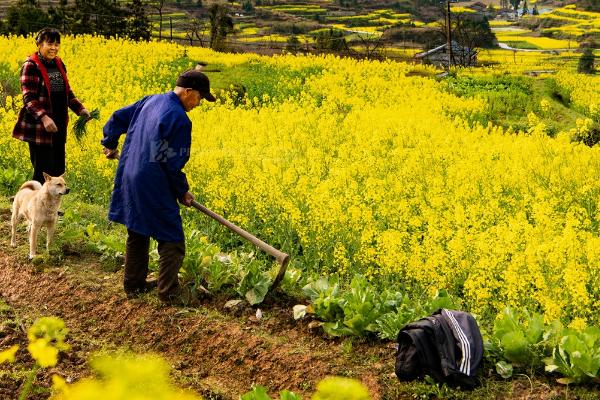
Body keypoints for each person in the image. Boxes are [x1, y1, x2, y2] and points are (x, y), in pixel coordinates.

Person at [101, 69, 216, 305]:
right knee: (172, 237)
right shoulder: (179, 119)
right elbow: (171, 162)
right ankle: (169, 292)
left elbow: (118, 117)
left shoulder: (150, 100)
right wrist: (181, 190)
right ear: (188, 91)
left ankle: (134, 284)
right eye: (200, 97)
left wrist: (109, 142)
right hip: (153, 180)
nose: (199, 103)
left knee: (138, 229)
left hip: (130, 175)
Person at [13, 28, 90, 184]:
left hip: (59, 125)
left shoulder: (58, 63)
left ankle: (51, 208)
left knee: (57, 171)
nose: (54, 48)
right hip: (40, 128)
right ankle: (30, 205)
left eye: (57, 44)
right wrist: (44, 118)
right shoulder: (31, 65)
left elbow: (66, 92)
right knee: (43, 172)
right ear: (39, 44)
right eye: (50, 44)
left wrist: (80, 109)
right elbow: (29, 99)